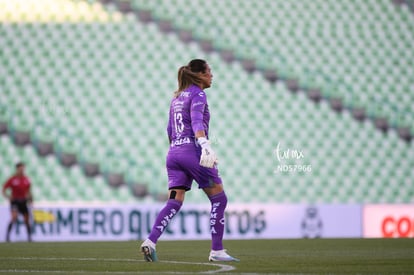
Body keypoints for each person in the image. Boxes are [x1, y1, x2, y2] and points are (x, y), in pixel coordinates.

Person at [140, 59, 239, 262]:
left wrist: (177, 150)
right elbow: (196, 121)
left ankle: (150, 241)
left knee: (174, 201)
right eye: (209, 71)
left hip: (174, 153)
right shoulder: (198, 94)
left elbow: (169, 129)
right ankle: (217, 251)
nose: (212, 75)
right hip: (192, 152)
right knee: (219, 199)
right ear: (200, 75)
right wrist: (204, 144)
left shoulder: (176, 98)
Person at [2, 162, 33, 242]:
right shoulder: (12, 179)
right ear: (17, 169)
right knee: (14, 218)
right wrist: (8, 197)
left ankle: (29, 238)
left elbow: (29, 191)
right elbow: (4, 189)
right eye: (20, 168)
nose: (22, 170)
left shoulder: (26, 179)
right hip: (15, 201)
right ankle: (7, 237)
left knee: (26, 220)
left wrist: (31, 199)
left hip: (23, 201)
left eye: (23, 168)